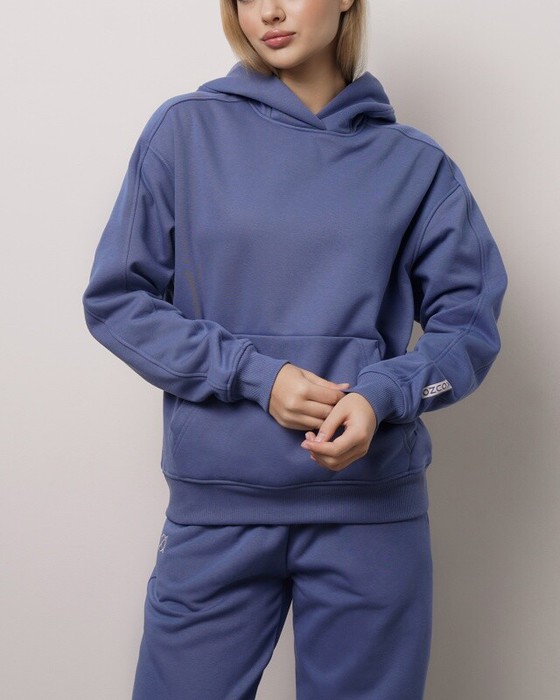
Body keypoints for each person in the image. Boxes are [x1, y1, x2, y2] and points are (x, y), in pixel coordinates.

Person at [82, 1, 507, 698]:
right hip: (218, 507)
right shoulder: (185, 133)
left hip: (370, 513)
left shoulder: (416, 165)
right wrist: (254, 376)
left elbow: (469, 323)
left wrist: (382, 395)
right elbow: (118, 301)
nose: (269, 11)